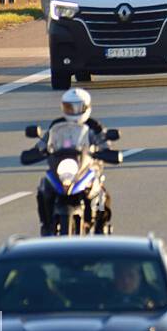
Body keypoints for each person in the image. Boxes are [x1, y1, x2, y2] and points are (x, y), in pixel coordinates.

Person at [24, 88, 113, 236]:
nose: (74, 111)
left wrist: (102, 150)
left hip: (87, 166)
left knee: (101, 193)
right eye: (70, 107)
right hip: (63, 165)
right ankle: (46, 224)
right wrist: (38, 150)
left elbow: (104, 143)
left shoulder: (94, 125)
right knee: (44, 187)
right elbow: (45, 142)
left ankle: (100, 226)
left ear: (86, 107)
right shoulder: (57, 125)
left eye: (78, 107)